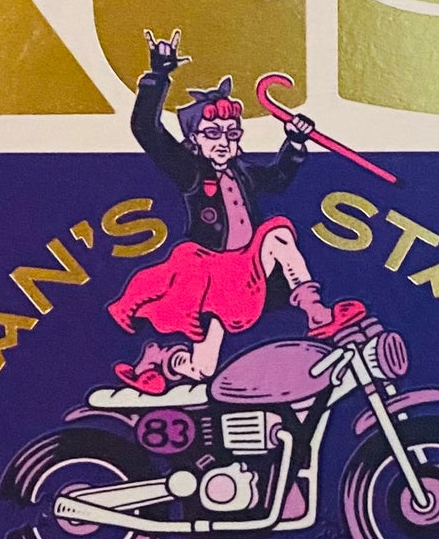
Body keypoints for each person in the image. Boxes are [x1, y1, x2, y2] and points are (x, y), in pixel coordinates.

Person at [108, 29, 363, 395]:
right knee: (202, 369)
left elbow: (277, 180)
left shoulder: (242, 172)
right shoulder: (190, 171)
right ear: (195, 139)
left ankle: (316, 311)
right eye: (213, 134)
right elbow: (145, 129)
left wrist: (294, 142)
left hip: (247, 267)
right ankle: (160, 359)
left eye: (231, 133)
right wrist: (159, 75)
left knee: (277, 234)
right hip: (208, 274)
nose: (224, 142)